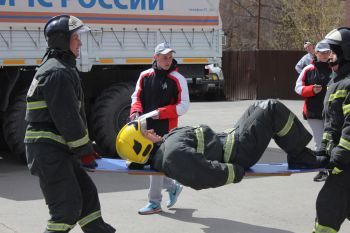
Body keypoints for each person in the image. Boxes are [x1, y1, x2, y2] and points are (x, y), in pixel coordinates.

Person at [24, 15, 116, 233]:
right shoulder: (57, 72)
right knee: (66, 212)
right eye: (76, 38)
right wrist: (84, 150)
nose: (80, 42)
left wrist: (86, 149)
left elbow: (71, 117)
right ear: (63, 40)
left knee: (87, 199)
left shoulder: (60, 68)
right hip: (49, 153)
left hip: (58, 150)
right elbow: (68, 119)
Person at [117, 99, 328, 191]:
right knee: (270, 108)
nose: (152, 130)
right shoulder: (173, 154)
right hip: (238, 151)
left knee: (258, 106)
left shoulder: (166, 148)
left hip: (233, 139)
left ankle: (298, 151)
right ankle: (300, 155)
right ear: (141, 146)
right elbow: (201, 175)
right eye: (146, 133)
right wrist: (235, 172)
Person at [129, 42, 190, 214]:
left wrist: (160, 113)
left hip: (166, 128)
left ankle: (154, 202)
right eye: (164, 58)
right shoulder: (144, 76)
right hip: (145, 127)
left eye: (170, 57)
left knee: (155, 164)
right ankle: (173, 187)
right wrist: (135, 110)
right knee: (151, 164)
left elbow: (184, 106)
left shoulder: (178, 79)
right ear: (155, 58)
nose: (168, 61)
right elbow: (136, 96)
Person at [313, 27, 350, 233]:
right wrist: (324, 148)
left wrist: (340, 155)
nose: (330, 59)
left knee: (327, 206)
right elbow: (332, 122)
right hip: (343, 163)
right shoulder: (336, 82)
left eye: (334, 53)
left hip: (346, 164)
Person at [295, 41, 332, 182]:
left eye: (326, 52)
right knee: (320, 141)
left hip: (332, 113)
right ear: (316, 53)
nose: (324, 55)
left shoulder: (335, 68)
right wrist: (311, 90)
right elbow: (297, 88)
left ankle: (332, 169)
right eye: (321, 52)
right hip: (314, 113)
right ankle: (322, 171)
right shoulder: (308, 69)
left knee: (332, 141)